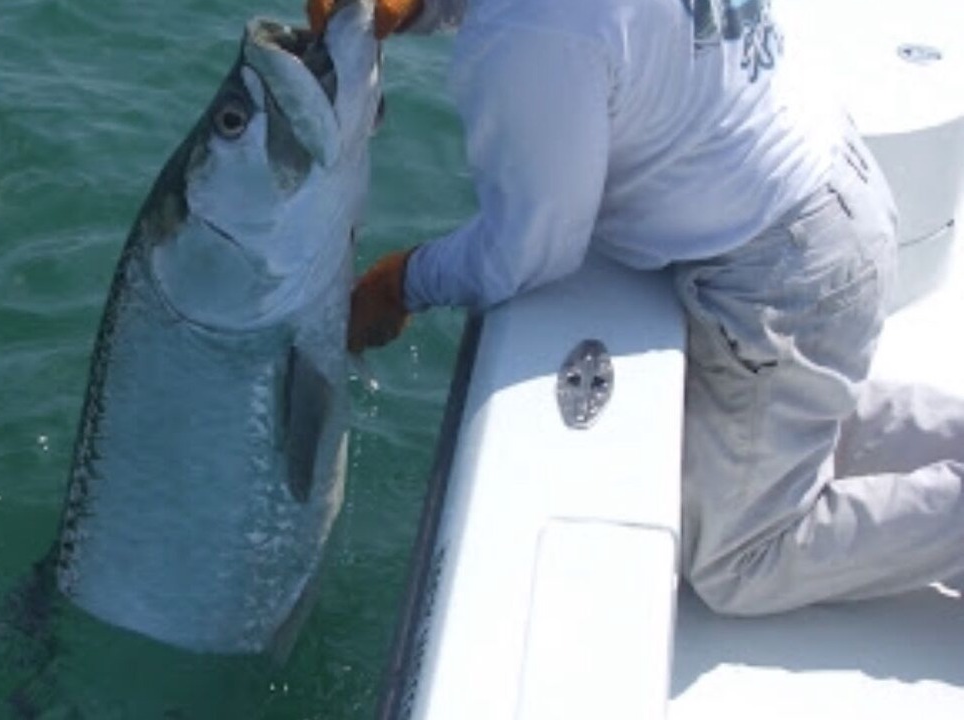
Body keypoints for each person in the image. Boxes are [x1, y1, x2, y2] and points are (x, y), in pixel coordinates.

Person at [307, 0, 964, 615]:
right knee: (783, 422)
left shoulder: (531, 34)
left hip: (782, 275)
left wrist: (400, 285)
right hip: (829, 199)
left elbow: (532, 249)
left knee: (739, 558)